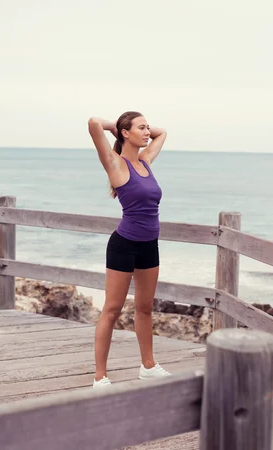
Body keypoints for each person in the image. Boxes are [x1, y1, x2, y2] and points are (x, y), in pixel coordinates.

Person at [87, 111, 171, 387]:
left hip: (150, 245)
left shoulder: (145, 162)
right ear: (125, 133)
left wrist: (139, 128)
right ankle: (100, 376)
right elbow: (93, 123)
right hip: (124, 246)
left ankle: (148, 365)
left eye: (147, 127)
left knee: (145, 308)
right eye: (141, 128)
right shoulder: (115, 164)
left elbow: (163, 132)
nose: (148, 132)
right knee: (112, 309)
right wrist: (116, 128)